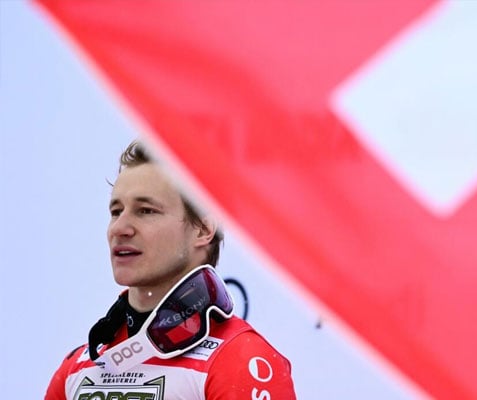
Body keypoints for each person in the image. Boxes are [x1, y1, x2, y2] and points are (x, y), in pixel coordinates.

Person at [45, 140, 296, 399]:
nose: (120, 228)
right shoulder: (78, 368)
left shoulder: (239, 359)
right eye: (116, 211)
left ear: (203, 229)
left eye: (146, 211)